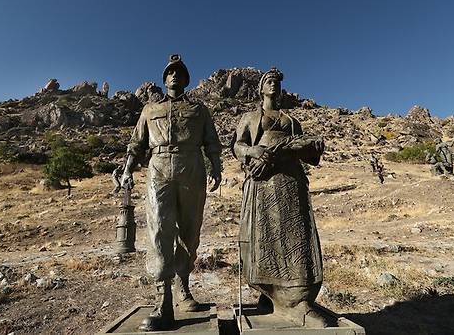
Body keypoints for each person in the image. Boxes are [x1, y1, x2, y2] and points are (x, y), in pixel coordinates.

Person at [120, 55, 222, 331]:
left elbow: (212, 141)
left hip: (192, 167)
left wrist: (216, 167)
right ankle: (163, 302)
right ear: (164, 79)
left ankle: (183, 289)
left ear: (186, 79)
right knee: (159, 231)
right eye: (170, 72)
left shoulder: (199, 110)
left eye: (179, 72)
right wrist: (127, 169)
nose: (174, 75)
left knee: (190, 230)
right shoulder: (149, 110)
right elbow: (136, 143)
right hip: (159, 167)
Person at [233, 68, 328, 327]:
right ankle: (272, 292)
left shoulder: (291, 120)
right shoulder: (251, 117)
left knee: (294, 234)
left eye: (277, 82)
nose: (274, 85)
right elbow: (237, 146)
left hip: (290, 180)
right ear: (261, 88)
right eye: (269, 81)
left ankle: (296, 298)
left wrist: (313, 147)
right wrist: (255, 150)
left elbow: (302, 148)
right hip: (263, 180)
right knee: (265, 235)